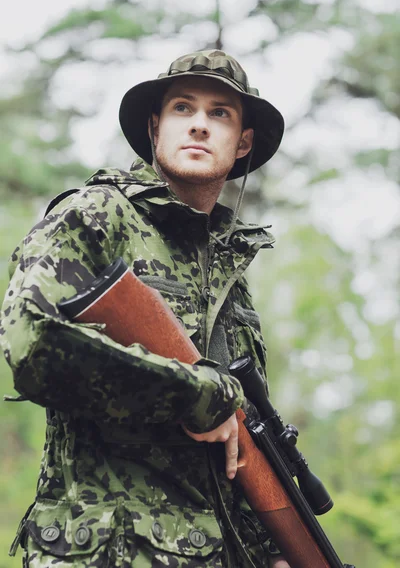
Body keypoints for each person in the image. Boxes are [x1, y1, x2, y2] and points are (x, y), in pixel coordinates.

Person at [1, 49, 290, 567]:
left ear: (242, 141)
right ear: (156, 128)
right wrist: (195, 392)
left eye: (220, 113)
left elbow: (233, 444)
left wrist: (271, 551)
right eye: (184, 108)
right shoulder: (95, 214)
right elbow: (30, 340)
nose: (200, 125)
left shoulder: (231, 276)